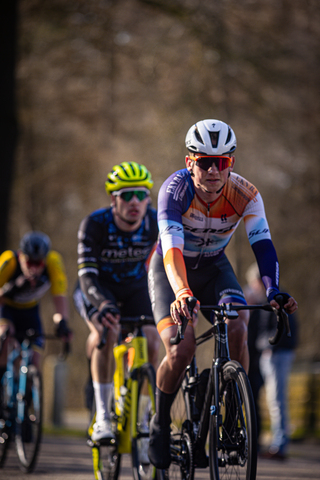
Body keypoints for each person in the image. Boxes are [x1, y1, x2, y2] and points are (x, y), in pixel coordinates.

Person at [147, 118, 298, 469]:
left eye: (223, 162)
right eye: (204, 161)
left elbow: (263, 245)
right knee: (181, 347)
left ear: (231, 163)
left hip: (215, 267)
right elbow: (171, 250)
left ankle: (232, 417)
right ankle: (160, 422)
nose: (214, 170)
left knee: (238, 323)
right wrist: (182, 290)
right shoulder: (174, 191)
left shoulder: (246, 193)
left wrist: (273, 289)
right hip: (172, 271)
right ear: (190, 163)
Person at [74, 161, 160, 452]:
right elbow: (86, 276)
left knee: (152, 338)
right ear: (113, 199)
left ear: (148, 197)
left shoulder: (156, 222)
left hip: (136, 288)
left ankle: (144, 418)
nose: (134, 201)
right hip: (99, 288)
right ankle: (102, 416)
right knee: (104, 333)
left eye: (140, 194)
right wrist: (103, 304)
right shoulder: (95, 224)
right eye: (126, 195)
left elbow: (167, 267)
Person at [0, 231, 71, 381]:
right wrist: (10, 291)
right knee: (5, 337)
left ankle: (30, 397)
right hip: (7, 310)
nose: (34, 268)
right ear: (20, 257)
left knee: (35, 359)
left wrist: (62, 322)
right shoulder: (9, 261)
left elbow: (59, 298)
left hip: (31, 311)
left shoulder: (53, 262)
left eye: (38, 263)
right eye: (29, 263)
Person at [245, 262, 298, 460]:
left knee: (277, 401)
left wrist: (266, 346)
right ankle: (277, 442)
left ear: (260, 281)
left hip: (276, 355)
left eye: (253, 283)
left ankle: (280, 444)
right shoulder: (267, 300)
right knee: (273, 400)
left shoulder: (277, 298)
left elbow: (283, 330)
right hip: (271, 354)